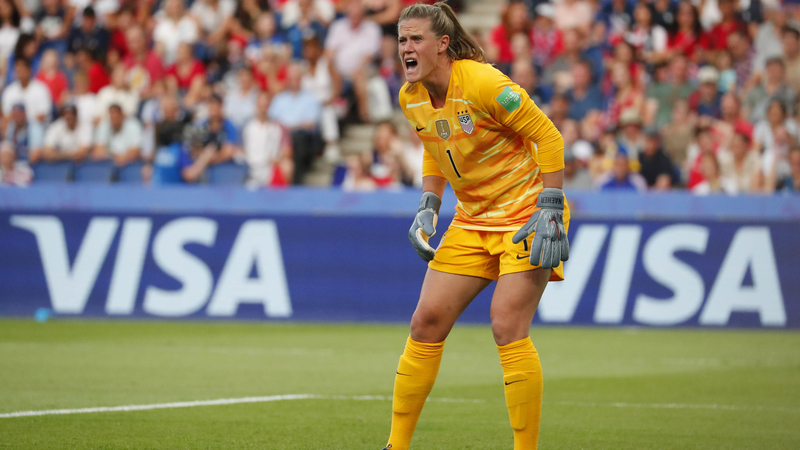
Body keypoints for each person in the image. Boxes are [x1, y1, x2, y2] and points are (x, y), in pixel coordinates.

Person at [384, 3, 570, 450]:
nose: (406, 48)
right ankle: (396, 445)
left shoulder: (485, 83)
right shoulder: (410, 97)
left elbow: (549, 136)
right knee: (425, 322)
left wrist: (550, 203)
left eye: (415, 40)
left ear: (442, 44)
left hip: (528, 213)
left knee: (507, 325)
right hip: (472, 219)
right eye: (401, 40)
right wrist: (430, 202)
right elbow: (435, 143)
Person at [268, 63, 322, 184]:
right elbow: (272, 121)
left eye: (296, 78)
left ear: (301, 80)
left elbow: (310, 124)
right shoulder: (279, 99)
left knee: (297, 138)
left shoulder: (310, 99)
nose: (293, 81)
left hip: (303, 140)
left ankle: (297, 182)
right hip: (281, 139)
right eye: (291, 78)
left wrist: (289, 128)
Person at [242, 92, 292, 186]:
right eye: (260, 106)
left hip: (270, 169)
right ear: (256, 106)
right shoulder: (247, 127)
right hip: (251, 170)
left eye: (265, 106)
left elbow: (287, 151)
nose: (262, 109)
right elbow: (241, 149)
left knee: (287, 166)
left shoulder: (278, 127)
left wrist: (278, 158)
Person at [1, 57, 52, 125]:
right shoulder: (9, 91)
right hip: (15, 127)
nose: (20, 72)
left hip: (34, 126)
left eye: (22, 69)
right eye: (18, 70)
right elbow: (6, 115)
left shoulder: (41, 88)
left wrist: (24, 120)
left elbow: (43, 115)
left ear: (29, 70)